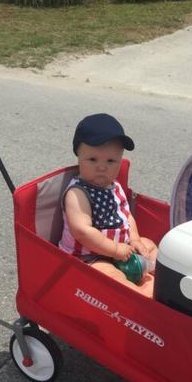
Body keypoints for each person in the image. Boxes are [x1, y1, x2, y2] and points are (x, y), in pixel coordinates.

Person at [59, 113, 157, 297]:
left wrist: (135, 240)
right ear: (78, 157)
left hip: (121, 250)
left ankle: (164, 278)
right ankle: (143, 295)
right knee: (111, 276)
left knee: (150, 246)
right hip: (89, 257)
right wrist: (115, 250)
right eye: (93, 159)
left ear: (120, 160)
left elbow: (126, 216)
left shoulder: (115, 186)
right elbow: (83, 232)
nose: (102, 167)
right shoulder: (77, 193)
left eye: (111, 161)